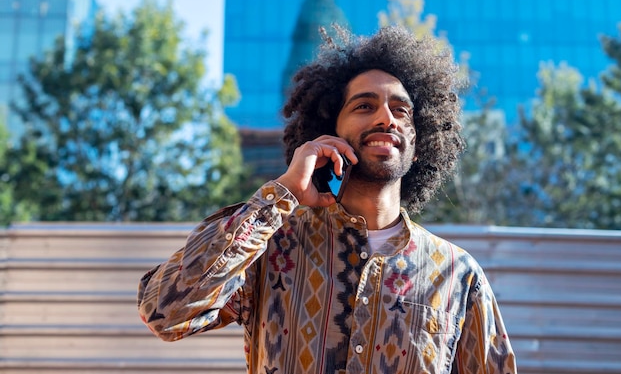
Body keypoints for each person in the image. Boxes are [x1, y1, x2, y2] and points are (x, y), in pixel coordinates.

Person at [137, 26, 517, 374]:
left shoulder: (458, 274)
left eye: (401, 110)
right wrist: (283, 192)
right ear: (327, 132)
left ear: (419, 146)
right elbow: (165, 312)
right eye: (364, 106)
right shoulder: (272, 249)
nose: (387, 118)